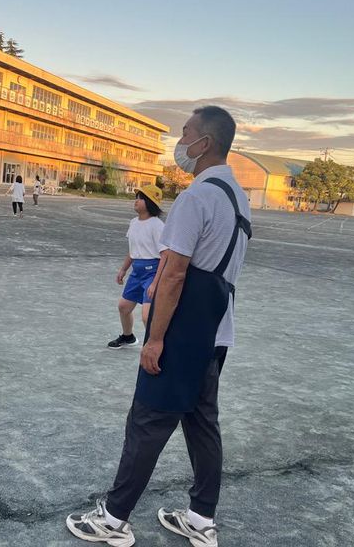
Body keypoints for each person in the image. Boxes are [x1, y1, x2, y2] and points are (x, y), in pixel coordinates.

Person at [66, 106, 252, 547]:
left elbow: (173, 273)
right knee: (202, 424)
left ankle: (113, 519)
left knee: (147, 421)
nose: (180, 142)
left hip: (183, 332)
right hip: (217, 328)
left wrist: (155, 339)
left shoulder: (197, 196)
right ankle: (201, 518)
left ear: (204, 143)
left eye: (185, 133)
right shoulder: (237, 196)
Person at [107, 185, 165, 349]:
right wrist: (123, 269)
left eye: (141, 198)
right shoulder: (133, 223)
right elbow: (133, 251)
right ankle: (128, 337)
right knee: (123, 307)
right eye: (137, 198)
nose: (136, 201)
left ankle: (154, 347)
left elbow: (165, 256)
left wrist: (155, 283)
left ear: (150, 203)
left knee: (147, 316)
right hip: (137, 271)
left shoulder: (157, 225)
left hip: (152, 272)